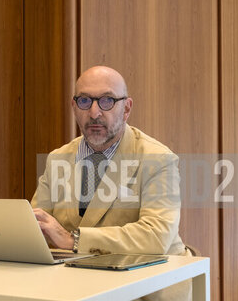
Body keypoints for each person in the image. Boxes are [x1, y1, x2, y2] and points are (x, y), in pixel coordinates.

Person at [31, 66, 191, 300]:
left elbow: (156, 235)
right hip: (80, 285)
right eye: (85, 101)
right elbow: (37, 227)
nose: (94, 112)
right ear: (74, 107)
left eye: (107, 101)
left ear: (126, 109)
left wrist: (74, 240)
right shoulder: (58, 159)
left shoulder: (158, 158)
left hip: (149, 289)